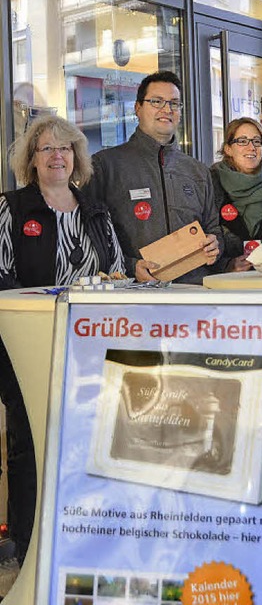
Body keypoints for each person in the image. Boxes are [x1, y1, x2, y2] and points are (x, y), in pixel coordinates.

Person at [0, 114, 126, 565]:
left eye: (66, 148)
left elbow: (116, 272)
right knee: (29, 441)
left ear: (77, 158)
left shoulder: (96, 211)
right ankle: (30, 539)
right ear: (31, 161)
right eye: (47, 149)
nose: (58, 156)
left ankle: (79, 530)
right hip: (31, 344)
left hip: (91, 346)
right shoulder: (12, 208)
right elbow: (2, 277)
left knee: (88, 438)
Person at [84, 71, 223, 283]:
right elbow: (92, 236)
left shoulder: (198, 171)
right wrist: (130, 266)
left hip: (194, 295)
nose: (166, 109)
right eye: (156, 101)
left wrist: (215, 245)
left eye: (174, 103)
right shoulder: (105, 165)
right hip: (134, 295)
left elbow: (213, 229)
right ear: (137, 108)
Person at [211, 117, 262, 272]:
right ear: (228, 148)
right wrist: (226, 265)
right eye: (242, 141)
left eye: (257, 141)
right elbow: (202, 237)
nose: (251, 147)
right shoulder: (211, 184)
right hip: (224, 286)